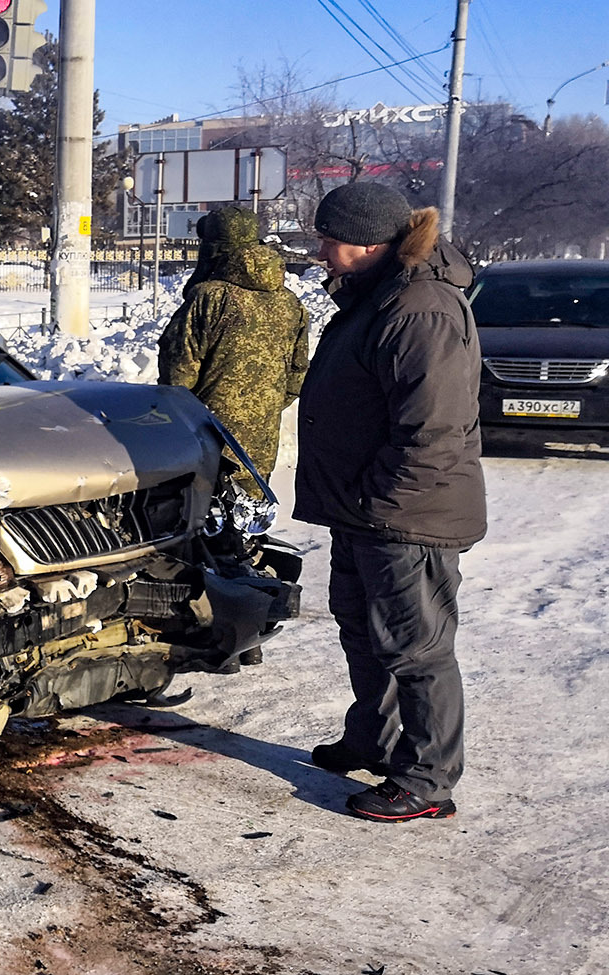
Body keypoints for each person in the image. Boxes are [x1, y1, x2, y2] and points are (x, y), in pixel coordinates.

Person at [294, 182, 485, 823]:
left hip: (406, 514)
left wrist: (380, 501)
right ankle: (371, 739)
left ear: (370, 242)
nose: (319, 250)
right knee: (364, 636)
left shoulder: (419, 309)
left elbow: (433, 432)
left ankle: (427, 779)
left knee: (417, 647)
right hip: (363, 510)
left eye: (330, 238)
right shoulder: (375, 295)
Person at [157, 205, 310, 493]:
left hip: (204, 441)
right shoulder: (291, 303)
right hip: (260, 446)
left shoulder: (209, 297)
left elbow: (177, 381)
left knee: (199, 527)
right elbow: (297, 376)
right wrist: (257, 411)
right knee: (247, 521)